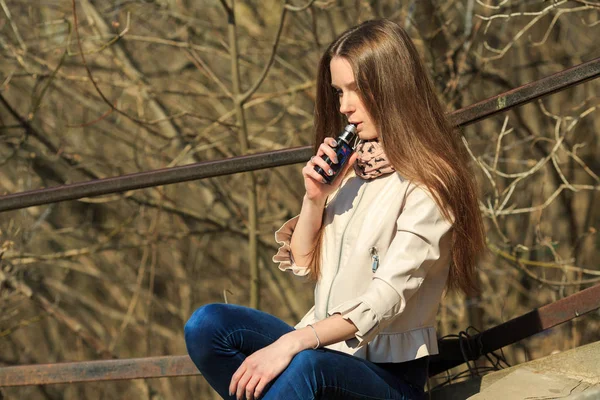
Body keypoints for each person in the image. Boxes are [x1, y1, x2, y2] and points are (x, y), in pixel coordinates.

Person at [184, 18, 486, 400]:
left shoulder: (431, 183)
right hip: (324, 352)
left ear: (392, 87)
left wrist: (293, 342)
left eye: (355, 89)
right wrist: (316, 197)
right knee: (208, 325)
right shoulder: (352, 169)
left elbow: (386, 297)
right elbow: (305, 263)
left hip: (389, 379)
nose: (344, 106)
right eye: (338, 91)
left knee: (306, 367)